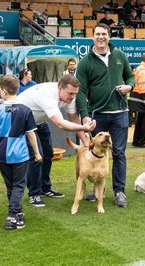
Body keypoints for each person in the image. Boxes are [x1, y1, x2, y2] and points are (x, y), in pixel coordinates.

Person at [76, 23, 135, 207]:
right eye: (97, 34)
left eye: (104, 34)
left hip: (119, 113)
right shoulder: (85, 61)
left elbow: (130, 77)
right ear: (92, 36)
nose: (101, 37)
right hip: (97, 114)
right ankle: (96, 190)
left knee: (119, 153)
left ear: (109, 36)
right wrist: (84, 115)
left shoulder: (120, 56)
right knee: (94, 152)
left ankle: (119, 191)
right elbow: (80, 91)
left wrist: (129, 86)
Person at [18, 75, 95, 207]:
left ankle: (45, 188)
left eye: (75, 94)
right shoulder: (47, 95)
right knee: (37, 156)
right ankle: (34, 194)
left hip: (39, 121)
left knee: (48, 154)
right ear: (60, 88)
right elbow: (60, 123)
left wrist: (86, 143)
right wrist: (84, 127)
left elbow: (73, 119)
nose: (72, 97)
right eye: (70, 93)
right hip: (21, 122)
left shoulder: (70, 96)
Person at [0, 75, 42, 230]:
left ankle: (18, 214)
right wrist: (37, 153)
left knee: (10, 186)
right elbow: (31, 134)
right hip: (20, 154)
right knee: (19, 185)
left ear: (4, 91)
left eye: (0, 90)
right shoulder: (26, 110)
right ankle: (12, 215)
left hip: (2, 153)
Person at [129, 53, 145, 148]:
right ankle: (143, 141)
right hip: (143, 99)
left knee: (140, 121)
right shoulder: (144, 70)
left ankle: (136, 140)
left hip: (138, 99)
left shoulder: (139, 68)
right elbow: (143, 87)